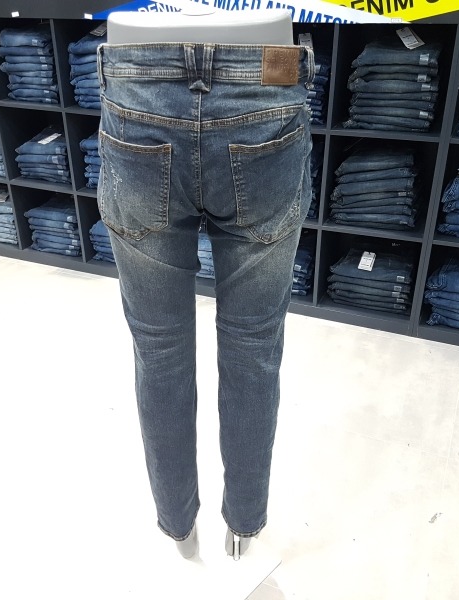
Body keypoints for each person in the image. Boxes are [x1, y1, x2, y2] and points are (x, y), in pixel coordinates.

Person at [98, 8, 314, 560]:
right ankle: (243, 522)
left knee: (159, 349)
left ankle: (178, 526)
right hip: (264, 82)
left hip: (138, 81)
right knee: (253, 346)